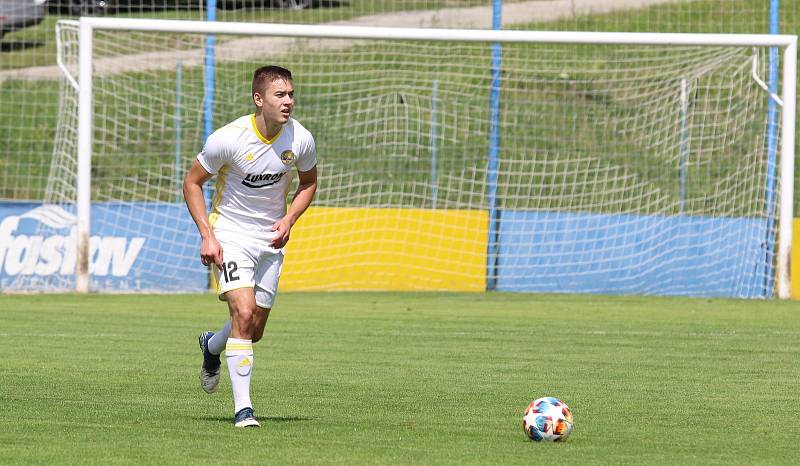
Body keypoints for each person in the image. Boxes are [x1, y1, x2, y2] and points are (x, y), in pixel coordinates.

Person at [183, 65, 317, 428]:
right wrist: (207, 236)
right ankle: (244, 410)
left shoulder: (300, 139)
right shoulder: (229, 138)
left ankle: (212, 345)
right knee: (242, 313)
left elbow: (308, 183)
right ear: (259, 99)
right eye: (280, 95)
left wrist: (289, 220)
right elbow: (192, 183)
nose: (288, 101)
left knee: (254, 329)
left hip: (270, 239)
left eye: (290, 94)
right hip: (230, 233)